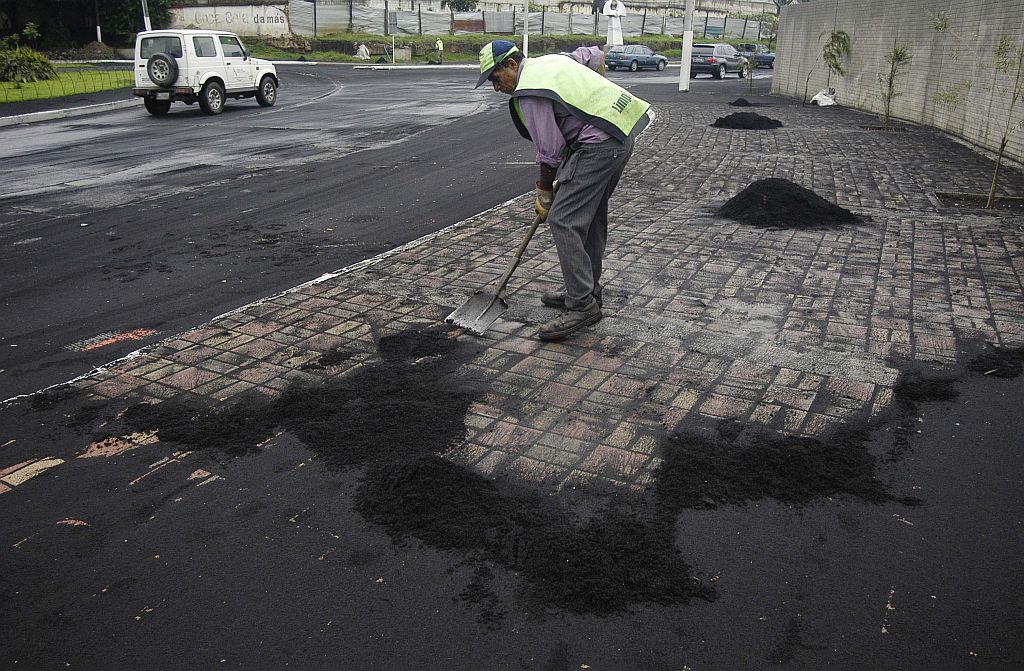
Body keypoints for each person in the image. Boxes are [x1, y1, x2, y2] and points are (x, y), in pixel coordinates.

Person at [475, 40, 650, 341]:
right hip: (620, 134)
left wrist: (544, 192)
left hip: (598, 147)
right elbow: (595, 55)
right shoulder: (551, 61)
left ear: (512, 65)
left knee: (563, 220)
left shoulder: (530, 90)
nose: (496, 87)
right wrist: (595, 97)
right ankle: (587, 289)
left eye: (495, 77)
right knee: (590, 217)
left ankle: (581, 304)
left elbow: (550, 151)